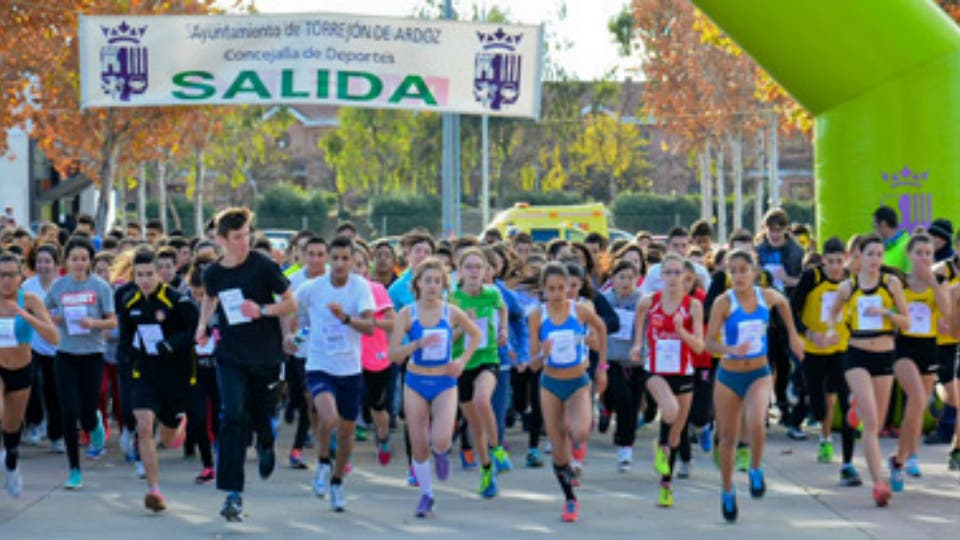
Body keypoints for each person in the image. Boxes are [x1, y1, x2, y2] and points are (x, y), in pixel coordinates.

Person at [195, 207, 298, 522]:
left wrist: (263, 310)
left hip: (265, 356)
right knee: (232, 416)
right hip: (231, 357)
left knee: (260, 414)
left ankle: (266, 441)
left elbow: (291, 303)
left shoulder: (263, 266)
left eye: (247, 235)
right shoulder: (213, 273)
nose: (244, 242)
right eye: (237, 237)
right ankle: (232, 494)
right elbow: (210, 298)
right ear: (221, 240)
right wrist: (202, 327)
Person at [705, 249, 804, 523]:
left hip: (759, 372)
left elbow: (785, 304)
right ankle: (727, 490)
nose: (738, 275)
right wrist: (729, 348)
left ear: (754, 272)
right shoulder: (723, 303)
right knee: (727, 438)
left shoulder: (766, 296)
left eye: (743, 269)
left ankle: (756, 469)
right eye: (732, 270)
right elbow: (709, 342)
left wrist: (794, 337)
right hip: (728, 375)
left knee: (757, 421)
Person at [389, 258, 480, 518]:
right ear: (417, 283)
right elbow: (393, 354)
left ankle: (442, 452)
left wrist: (461, 361)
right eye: (427, 280)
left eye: (437, 281)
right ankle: (427, 495)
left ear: (444, 285)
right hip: (416, 381)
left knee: (439, 439)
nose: (432, 286)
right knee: (418, 445)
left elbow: (475, 334)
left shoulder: (450, 312)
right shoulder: (407, 313)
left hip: (444, 382)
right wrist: (416, 345)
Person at [826, 234, 910, 507]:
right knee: (872, 425)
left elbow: (906, 321)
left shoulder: (891, 283)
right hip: (856, 355)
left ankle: (855, 406)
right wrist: (829, 332)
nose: (876, 260)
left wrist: (885, 313)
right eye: (871, 254)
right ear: (858, 257)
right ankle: (879, 483)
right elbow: (833, 313)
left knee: (879, 419)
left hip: (884, 355)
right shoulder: (848, 288)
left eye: (879, 254)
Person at [296, 236, 375, 512]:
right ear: (329, 259)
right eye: (336, 258)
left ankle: (338, 482)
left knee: (346, 433)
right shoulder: (312, 288)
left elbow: (369, 326)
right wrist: (291, 335)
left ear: (353, 261)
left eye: (345, 259)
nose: (340, 264)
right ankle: (322, 462)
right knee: (328, 417)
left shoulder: (360, 287)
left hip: (350, 370)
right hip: (319, 364)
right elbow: (291, 310)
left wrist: (345, 319)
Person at [528, 262, 608, 523]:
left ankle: (580, 428)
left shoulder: (580, 311)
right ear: (543, 290)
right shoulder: (537, 316)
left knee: (580, 431)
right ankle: (570, 499)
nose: (557, 294)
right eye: (551, 289)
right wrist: (543, 353)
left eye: (562, 288)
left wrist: (602, 366)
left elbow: (602, 328)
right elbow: (533, 363)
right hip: (550, 384)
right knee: (559, 450)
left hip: (577, 382)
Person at [120, 248, 198, 512]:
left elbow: (197, 329)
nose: (145, 280)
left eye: (149, 274)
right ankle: (154, 489)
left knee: (167, 436)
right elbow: (125, 341)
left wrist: (172, 344)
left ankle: (179, 423)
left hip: (175, 376)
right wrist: (131, 359)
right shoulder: (130, 303)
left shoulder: (177, 301)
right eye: (140, 275)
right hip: (146, 374)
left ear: (159, 274)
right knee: (143, 426)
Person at [631, 253, 704, 507]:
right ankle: (659, 448)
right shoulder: (649, 302)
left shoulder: (693, 305)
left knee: (675, 435)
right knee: (669, 410)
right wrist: (637, 345)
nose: (673, 278)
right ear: (660, 276)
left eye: (678, 273)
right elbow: (639, 326)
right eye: (668, 272)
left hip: (683, 373)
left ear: (686, 277)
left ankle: (666, 486)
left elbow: (699, 346)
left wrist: (681, 330)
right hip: (656, 370)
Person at [45, 236, 117, 489]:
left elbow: (112, 321)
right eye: (74, 258)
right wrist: (53, 317)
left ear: (90, 261)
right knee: (69, 412)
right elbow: (46, 311)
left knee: (87, 413)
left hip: (92, 355)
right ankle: (74, 469)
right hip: (65, 354)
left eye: (84, 259)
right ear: (67, 261)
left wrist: (93, 323)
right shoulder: (58, 286)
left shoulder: (100, 287)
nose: (79, 263)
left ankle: (94, 424)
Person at [790, 237, 860, 485]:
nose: (835, 267)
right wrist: (809, 334)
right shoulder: (812, 278)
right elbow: (792, 310)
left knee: (846, 401)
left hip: (841, 349)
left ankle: (849, 463)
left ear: (847, 259)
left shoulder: (852, 281)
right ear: (823, 260)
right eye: (831, 262)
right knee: (819, 405)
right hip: (813, 351)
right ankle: (824, 436)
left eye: (840, 261)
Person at [887, 233, 951, 487]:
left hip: (928, 348)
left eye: (929, 253)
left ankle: (906, 456)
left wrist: (933, 284)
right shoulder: (899, 283)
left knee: (918, 406)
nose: (924, 258)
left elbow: (947, 311)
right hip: (904, 348)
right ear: (909, 255)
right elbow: (893, 316)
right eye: (919, 253)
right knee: (917, 397)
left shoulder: (939, 280)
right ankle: (901, 458)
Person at [451, 247, 511, 498]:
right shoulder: (453, 300)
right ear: (460, 271)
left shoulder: (492, 293)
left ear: (487, 271)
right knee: (474, 426)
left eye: (479, 267)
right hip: (463, 363)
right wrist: (464, 324)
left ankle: (497, 449)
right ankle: (486, 470)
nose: (474, 271)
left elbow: (503, 309)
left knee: (482, 399)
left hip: (488, 358)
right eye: (469, 267)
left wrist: (503, 330)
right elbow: (448, 339)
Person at [0, 252, 58, 497]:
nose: (6, 280)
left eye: (11, 275)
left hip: (22, 369)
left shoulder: (31, 300)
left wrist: (26, 316)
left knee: (12, 427)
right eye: (1, 275)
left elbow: (53, 337)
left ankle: (11, 462)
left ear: (21, 276)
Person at [350, 244, 396, 466]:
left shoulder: (376, 289)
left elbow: (393, 322)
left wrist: (371, 322)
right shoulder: (335, 291)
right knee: (345, 406)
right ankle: (342, 452)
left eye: (359, 265)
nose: (355, 270)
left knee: (377, 407)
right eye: (351, 265)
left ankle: (384, 434)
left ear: (366, 269)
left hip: (375, 358)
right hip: (346, 357)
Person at [284, 235, 326, 469]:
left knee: (317, 400)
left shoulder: (335, 279)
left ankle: (322, 447)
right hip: (301, 348)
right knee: (306, 401)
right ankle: (301, 448)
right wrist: (288, 336)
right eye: (311, 254)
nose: (316, 259)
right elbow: (287, 312)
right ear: (302, 256)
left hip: (330, 351)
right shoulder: (292, 280)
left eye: (320, 254)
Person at [22, 244, 64, 453]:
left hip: (59, 347)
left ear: (57, 265)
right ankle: (35, 423)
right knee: (33, 383)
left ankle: (57, 435)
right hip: (33, 346)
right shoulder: (28, 287)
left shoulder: (64, 286)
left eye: (47, 261)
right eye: (39, 261)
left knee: (55, 390)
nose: (43, 266)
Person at [603, 259, 644, 472]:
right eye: (621, 277)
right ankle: (608, 411)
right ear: (613, 279)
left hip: (636, 360)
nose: (626, 282)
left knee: (633, 405)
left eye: (630, 277)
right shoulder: (606, 300)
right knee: (622, 397)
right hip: (612, 359)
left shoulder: (642, 300)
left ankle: (626, 447)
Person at [640, 227, 711, 295]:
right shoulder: (654, 271)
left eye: (684, 246)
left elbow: (709, 297)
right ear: (667, 247)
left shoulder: (700, 271)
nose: (680, 250)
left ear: (689, 247)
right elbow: (644, 295)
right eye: (675, 245)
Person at [873, 206, 911, 273]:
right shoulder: (882, 248)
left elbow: (912, 277)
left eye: (875, 226)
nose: (874, 231)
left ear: (883, 224)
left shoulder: (908, 245)